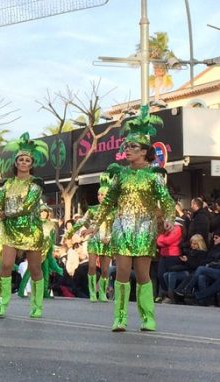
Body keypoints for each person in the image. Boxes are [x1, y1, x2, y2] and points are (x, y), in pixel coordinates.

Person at [94, 106, 175, 332]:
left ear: (144, 151)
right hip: (122, 227)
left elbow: (166, 201)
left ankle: (147, 317)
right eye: (126, 146)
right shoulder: (120, 174)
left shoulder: (153, 175)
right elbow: (108, 201)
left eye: (132, 147)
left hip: (145, 228)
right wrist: (94, 224)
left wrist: (168, 217)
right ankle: (119, 317)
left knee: (142, 275)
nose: (127, 150)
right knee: (121, 272)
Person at [0, 132, 49, 318]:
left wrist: (4, 214)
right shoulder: (7, 184)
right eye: (21, 159)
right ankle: (2, 303)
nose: (23, 162)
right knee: (5, 265)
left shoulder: (36, 185)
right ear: (16, 163)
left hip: (31, 231)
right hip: (11, 231)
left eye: (27, 160)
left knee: (35, 269)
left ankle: (37, 305)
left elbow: (26, 207)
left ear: (31, 164)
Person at [72, 173, 114, 303]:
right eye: (99, 195)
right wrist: (73, 233)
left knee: (106, 269)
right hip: (94, 241)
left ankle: (102, 292)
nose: (100, 197)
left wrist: (111, 237)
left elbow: (118, 226)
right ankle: (92, 292)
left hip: (107, 242)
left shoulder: (114, 211)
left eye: (103, 194)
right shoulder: (92, 210)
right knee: (91, 267)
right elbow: (82, 222)